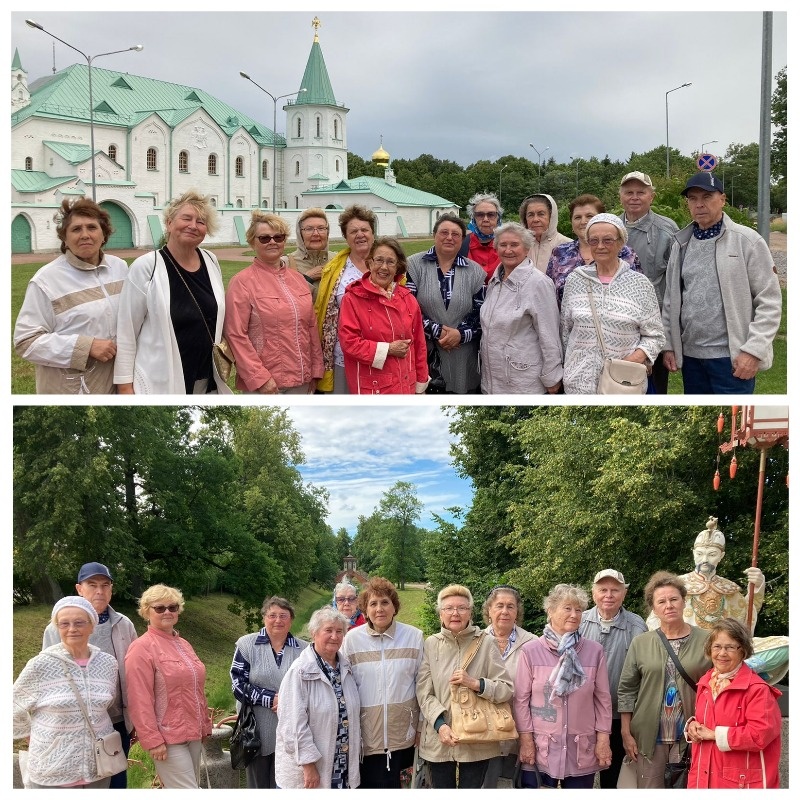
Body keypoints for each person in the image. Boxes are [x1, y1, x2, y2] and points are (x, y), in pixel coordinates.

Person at [662, 172, 782, 394]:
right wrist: (669, 345)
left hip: (733, 359)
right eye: (693, 198)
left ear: (723, 199)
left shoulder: (747, 241)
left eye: (707, 197)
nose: (699, 204)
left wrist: (754, 351)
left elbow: (770, 301)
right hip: (691, 359)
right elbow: (671, 299)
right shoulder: (681, 243)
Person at [114, 190, 232, 394]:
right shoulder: (147, 266)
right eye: (186, 218)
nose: (193, 225)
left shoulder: (211, 260)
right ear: (169, 223)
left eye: (201, 222)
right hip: (160, 380)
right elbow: (126, 330)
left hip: (206, 378)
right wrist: (125, 386)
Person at [14, 198, 129, 394]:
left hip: (115, 382)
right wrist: (85, 346)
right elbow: (25, 341)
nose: (85, 235)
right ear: (65, 239)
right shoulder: (47, 280)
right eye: (76, 229)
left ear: (104, 235)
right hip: (72, 389)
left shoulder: (119, 268)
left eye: (92, 227)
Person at [41, 562, 138, 789]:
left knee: (115, 781)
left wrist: (136, 720)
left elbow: (134, 675)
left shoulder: (125, 625)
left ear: (111, 589)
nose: (99, 591)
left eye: (105, 585)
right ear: (79, 589)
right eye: (92, 585)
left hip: (116, 722)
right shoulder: (58, 628)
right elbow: (47, 679)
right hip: (73, 725)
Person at [617, 571, 710, 789]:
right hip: (649, 736)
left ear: (684, 602)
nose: (669, 605)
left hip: (691, 734)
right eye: (661, 601)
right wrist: (626, 732)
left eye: (673, 599)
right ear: (654, 608)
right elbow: (627, 690)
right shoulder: (641, 643)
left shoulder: (707, 640)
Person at [14, 597, 118, 788]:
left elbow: (106, 703)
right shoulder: (41, 665)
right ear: (57, 627)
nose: (72, 629)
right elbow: (12, 705)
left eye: (79, 622)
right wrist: (30, 733)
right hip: (52, 768)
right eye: (64, 623)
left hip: (99, 768)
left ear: (92, 626)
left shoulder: (108, 664)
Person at [416, 584, 514, 789]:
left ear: (470, 612)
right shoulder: (431, 644)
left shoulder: (486, 643)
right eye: (449, 608)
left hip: (477, 738)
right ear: (440, 614)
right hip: (438, 738)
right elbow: (424, 692)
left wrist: (475, 683)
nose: (455, 613)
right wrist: (440, 725)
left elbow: (506, 689)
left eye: (462, 608)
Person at [514, 583, 612, 788]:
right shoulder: (530, 651)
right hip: (542, 748)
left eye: (579, 610)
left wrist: (603, 739)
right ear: (550, 611)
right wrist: (526, 741)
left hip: (581, 749)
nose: (574, 615)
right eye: (567, 608)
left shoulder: (594, 651)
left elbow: (603, 699)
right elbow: (521, 700)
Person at [561, 213, 665, 394]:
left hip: (622, 384)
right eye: (594, 241)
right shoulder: (575, 280)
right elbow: (565, 331)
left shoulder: (639, 284)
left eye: (608, 240)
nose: (600, 246)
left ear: (621, 242)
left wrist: (630, 362)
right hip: (578, 384)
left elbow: (655, 336)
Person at [223, 212, 322, 394]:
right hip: (267, 384)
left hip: (302, 379)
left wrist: (315, 371)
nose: (272, 242)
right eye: (264, 238)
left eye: (278, 237)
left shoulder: (298, 279)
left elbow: (311, 327)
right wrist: (260, 378)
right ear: (253, 242)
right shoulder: (242, 282)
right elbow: (235, 334)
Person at [125, 584, 211, 788]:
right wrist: (152, 739)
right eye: (159, 608)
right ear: (146, 611)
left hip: (194, 731)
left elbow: (196, 688)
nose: (167, 612)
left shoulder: (184, 644)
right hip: (168, 737)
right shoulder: (141, 648)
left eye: (172, 607)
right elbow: (139, 699)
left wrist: (205, 725)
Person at [341, 577, 424, 788]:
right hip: (366, 736)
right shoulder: (351, 640)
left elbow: (423, 685)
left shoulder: (414, 637)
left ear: (394, 607)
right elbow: (342, 685)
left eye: (385, 602)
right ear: (365, 609)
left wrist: (421, 727)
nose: (379, 609)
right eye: (373, 603)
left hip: (403, 735)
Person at [685, 618, 782, 789]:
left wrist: (714, 735)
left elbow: (760, 735)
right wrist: (693, 726)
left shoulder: (757, 689)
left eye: (730, 647)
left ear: (743, 651)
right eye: (717, 646)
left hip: (738, 784)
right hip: (703, 778)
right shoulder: (705, 682)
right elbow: (711, 719)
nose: (722, 653)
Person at [275, 607, 361, 789]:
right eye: (328, 630)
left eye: (339, 631)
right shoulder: (299, 672)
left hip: (341, 764)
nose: (335, 636)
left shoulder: (345, 668)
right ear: (314, 633)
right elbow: (292, 725)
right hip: (309, 770)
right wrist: (308, 764)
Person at [230, 596, 308, 788]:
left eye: (283, 615)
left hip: (292, 729)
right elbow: (237, 684)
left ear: (291, 619)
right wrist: (270, 699)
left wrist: (287, 702)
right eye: (272, 615)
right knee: (259, 785)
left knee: (288, 784)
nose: (278, 620)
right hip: (257, 732)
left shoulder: (304, 649)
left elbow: (310, 687)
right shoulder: (247, 645)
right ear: (264, 617)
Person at [579, 569, 647, 789]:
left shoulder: (637, 626)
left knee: (612, 770)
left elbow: (642, 672)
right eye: (603, 590)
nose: (608, 595)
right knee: (581, 770)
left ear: (624, 594)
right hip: (583, 713)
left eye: (615, 590)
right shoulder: (578, 621)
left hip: (620, 715)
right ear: (593, 592)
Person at [405, 214, 486, 394]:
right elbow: (407, 308)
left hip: (464, 355)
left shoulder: (476, 272)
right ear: (434, 235)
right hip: (427, 353)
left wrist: (461, 334)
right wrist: (437, 331)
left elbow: (482, 312)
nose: (449, 237)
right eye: (444, 232)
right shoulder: (413, 265)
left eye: (456, 234)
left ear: (462, 239)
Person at [479, 222, 563, 394]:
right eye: (503, 245)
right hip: (492, 380)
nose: (508, 250)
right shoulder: (495, 281)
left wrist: (552, 377)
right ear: (496, 248)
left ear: (526, 249)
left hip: (523, 382)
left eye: (514, 245)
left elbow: (549, 334)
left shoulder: (538, 283)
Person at [338, 237, 429, 394]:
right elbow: (349, 343)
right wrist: (388, 349)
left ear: (398, 266)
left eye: (390, 262)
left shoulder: (408, 299)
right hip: (373, 388)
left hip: (405, 384)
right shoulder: (353, 298)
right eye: (379, 260)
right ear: (370, 262)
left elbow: (419, 345)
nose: (384, 267)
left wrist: (421, 384)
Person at [618, 172, 678, 394]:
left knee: (654, 388)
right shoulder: (611, 227)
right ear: (621, 196)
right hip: (617, 324)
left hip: (653, 325)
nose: (634, 197)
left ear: (651, 196)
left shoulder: (667, 230)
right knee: (618, 383)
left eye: (641, 192)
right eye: (629, 192)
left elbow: (675, 283)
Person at [314, 205, 377, 393]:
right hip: (344, 355)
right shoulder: (334, 270)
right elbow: (322, 311)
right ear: (346, 237)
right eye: (353, 231)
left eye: (364, 230)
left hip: (383, 353)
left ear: (373, 233)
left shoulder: (387, 265)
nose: (360, 235)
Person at [481, 585, 536, 788]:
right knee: (486, 784)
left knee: (515, 784)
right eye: (499, 606)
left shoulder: (532, 643)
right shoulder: (475, 641)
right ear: (489, 610)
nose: (505, 611)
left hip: (519, 730)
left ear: (517, 612)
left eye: (510, 606)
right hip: (484, 732)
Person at [546, 193, 642, 309]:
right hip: (570, 323)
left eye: (589, 216)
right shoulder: (559, 253)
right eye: (577, 217)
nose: (583, 221)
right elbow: (549, 294)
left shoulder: (625, 253)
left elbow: (638, 291)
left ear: (601, 219)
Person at [287, 207, 331, 301]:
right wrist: (308, 278)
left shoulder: (339, 260)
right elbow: (285, 302)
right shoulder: (286, 264)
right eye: (309, 229)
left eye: (321, 228)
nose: (316, 233)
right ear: (300, 233)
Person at [519, 194, 571, 272]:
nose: (535, 219)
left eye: (541, 214)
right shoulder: (519, 245)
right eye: (530, 215)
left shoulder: (568, 246)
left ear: (551, 216)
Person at [458, 192, 502, 281]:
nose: (485, 219)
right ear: (473, 218)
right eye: (480, 215)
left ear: (498, 217)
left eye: (491, 214)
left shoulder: (508, 244)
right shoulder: (460, 244)